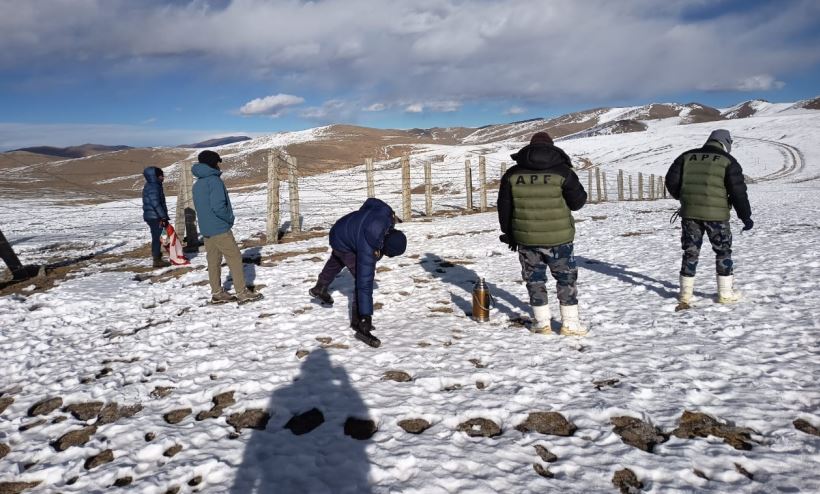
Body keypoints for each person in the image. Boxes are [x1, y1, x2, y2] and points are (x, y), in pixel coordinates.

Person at [497, 132, 588, 336]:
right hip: (560, 238)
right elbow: (578, 203)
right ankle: (571, 325)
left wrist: (508, 233)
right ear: (552, 148)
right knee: (566, 279)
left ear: (529, 148)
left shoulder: (512, 174)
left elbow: (504, 208)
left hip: (526, 239)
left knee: (535, 280)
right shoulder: (563, 172)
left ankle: (541, 323)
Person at [665, 129, 752, 310]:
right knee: (723, 252)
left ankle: (685, 295)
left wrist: (684, 199)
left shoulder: (686, 156)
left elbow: (671, 181)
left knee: (690, 252)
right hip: (718, 216)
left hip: (690, 214)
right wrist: (745, 216)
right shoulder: (728, 161)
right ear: (726, 143)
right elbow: (738, 192)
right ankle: (725, 294)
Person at [309, 198, 407, 347]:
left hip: (341, 228)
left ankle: (320, 287)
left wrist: (361, 220)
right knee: (358, 276)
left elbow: (372, 201)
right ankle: (358, 322)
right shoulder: (368, 246)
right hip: (342, 237)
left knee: (338, 258)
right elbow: (364, 283)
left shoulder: (387, 216)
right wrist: (366, 316)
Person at [191, 150, 263, 305]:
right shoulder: (214, 181)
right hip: (219, 227)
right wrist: (229, 219)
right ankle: (242, 293)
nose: (218, 165)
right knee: (235, 258)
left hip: (206, 229)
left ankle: (217, 293)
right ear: (212, 163)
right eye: (217, 162)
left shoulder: (198, 183)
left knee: (213, 260)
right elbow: (218, 207)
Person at [142, 166, 171, 268]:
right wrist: (163, 217)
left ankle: (160, 257)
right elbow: (155, 203)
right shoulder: (154, 186)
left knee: (159, 236)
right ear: (156, 176)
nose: (163, 177)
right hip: (156, 217)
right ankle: (157, 260)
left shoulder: (150, 185)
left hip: (152, 216)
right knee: (160, 237)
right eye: (161, 175)